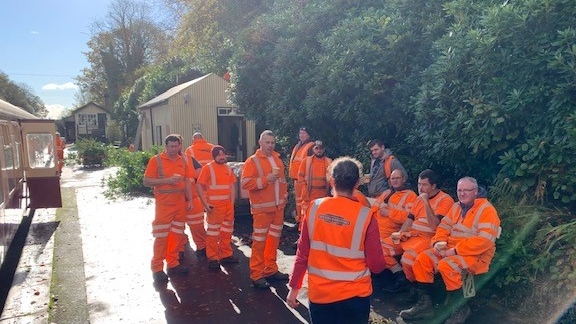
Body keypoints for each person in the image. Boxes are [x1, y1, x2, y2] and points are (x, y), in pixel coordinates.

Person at [286, 156, 386, 324]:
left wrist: (294, 288)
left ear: (331, 181)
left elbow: (302, 254)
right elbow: (377, 265)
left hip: (321, 296)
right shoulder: (366, 216)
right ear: (357, 184)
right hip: (355, 297)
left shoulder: (313, 208)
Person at [399, 177, 501, 324]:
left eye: (466, 190)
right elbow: (443, 227)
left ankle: (460, 309)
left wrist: (455, 250)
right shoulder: (456, 206)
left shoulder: (487, 210)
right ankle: (425, 306)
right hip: (449, 250)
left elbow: (484, 241)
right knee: (422, 260)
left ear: (476, 191)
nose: (462, 193)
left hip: (475, 255)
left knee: (447, 266)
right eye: (460, 190)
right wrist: (437, 242)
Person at [382, 169, 454, 293]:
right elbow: (409, 220)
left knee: (408, 259)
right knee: (381, 247)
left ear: (434, 186)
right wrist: (399, 234)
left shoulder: (445, 200)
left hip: (428, 238)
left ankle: (417, 290)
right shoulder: (419, 198)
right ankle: (401, 277)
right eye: (419, 184)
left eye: (424, 184)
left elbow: (434, 226)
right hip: (412, 235)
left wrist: (426, 201)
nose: (420, 188)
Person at [241, 130, 289, 289]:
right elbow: (245, 183)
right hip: (262, 210)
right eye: (267, 142)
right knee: (259, 242)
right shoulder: (252, 161)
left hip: (278, 208)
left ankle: (270, 269)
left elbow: (282, 181)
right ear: (260, 142)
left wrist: (285, 195)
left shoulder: (277, 159)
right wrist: (265, 180)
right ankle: (257, 274)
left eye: (272, 143)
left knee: (273, 241)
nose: (270, 145)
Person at [143, 134, 193, 282]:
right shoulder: (156, 160)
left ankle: (173, 263)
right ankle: (157, 268)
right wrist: (167, 181)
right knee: (161, 237)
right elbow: (146, 181)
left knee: (177, 235)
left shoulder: (183, 160)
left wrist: (189, 199)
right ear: (165, 146)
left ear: (179, 146)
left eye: (176, 146)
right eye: (171, 146)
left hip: (179, 204)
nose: (173, 149)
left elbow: (188, 182)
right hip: (164, 205)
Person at [196, 145, 238, 270]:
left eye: (223, 154)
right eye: (219, 154)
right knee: (213, 233)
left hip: (227, 206)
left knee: (227, 232)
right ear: (214, 156)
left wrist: (232, 203)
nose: (222, 157)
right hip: (215, 207)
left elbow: (232, 187)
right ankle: (213, 258)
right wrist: (205, 203)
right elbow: (199, 186)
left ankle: (226, 255)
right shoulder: (208, 168)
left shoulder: (228, 169)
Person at [374, 169, 417, 275]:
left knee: (379, 250)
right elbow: (374, 209)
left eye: (397, 178)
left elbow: (408, 218)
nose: (395, 180)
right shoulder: (387, 193)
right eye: (393, 178)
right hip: (376, 231)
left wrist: (389, 213)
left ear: (403, 179)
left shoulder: (410, 195)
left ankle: (398, 275)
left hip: (393, 234)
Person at [297, 140, 332, 222]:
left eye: (321, 148)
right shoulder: (306, 161)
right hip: (309, 194)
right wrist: (304, 188)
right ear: (313, 149)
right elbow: (300, 176)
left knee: (320, 217)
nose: (319, 150)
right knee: (306, 217)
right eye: (317, 148)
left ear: (324, 149)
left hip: (323, 194)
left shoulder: (329, 161)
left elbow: (332, 178)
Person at [288, 127, 315, 225]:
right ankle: (299, 221)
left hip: (304, 180)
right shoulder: (298, 146)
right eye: (300, 133)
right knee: (298, 201)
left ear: (309, 135)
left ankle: (304, 223)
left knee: (305, 202)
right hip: (296, 179)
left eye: (304, 133)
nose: (301, 135)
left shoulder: (311, 146)